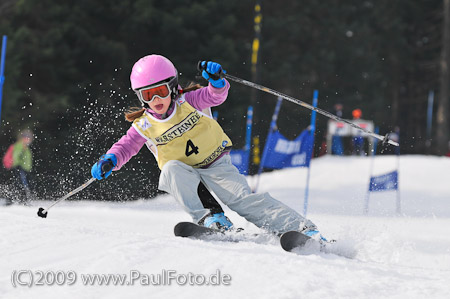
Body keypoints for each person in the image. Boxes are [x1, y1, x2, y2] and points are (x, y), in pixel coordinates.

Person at [91, 54, 321, 237]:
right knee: (171, 170)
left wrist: (217, 81)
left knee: (241, 200)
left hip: (216, 164)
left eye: (160, 92)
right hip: (185, 172)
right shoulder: (144, 125)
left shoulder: (189, 101)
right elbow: (125, 146)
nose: (155, 101)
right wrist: (111, 159)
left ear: (172, 87)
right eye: (147, 95)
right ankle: (212, 218)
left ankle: (298, 227)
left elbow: (215, 96)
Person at [2, 129, 34, 204]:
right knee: (21, 184)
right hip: (19, 168)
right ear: (22, 138)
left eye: (29, 138)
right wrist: (17, 166)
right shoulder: (20, 145)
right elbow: (15, 156)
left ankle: (17, 200)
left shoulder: (25, 147)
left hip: (24, 169)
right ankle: (20, 200)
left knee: (19, 184)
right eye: (27, 138)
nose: (28, 140)